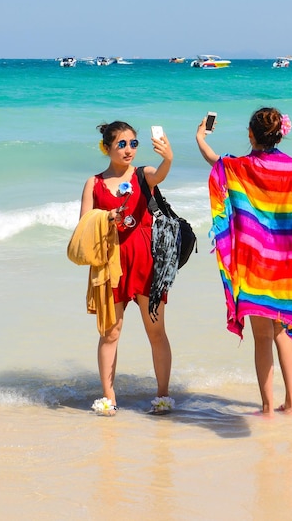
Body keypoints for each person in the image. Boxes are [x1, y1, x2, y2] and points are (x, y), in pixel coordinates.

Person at [196, 108, 292, 417]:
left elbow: (216, 162)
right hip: (286, 263)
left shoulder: (240, 167)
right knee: (281, 332)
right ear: (280, 134)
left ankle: (267, 408)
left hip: (255, 264)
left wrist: (200, 137)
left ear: (251, 135)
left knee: (262, 336)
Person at [79, 120, 175, 415]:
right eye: (122, 144)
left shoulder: (143, 175)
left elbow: (160, 173)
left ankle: (162, 395)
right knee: (110, 333)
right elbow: (83, 227)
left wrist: (168, 157)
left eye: (133, 143)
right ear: (106, 148)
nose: (129, 149)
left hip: (147, 262)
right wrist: (109, 217)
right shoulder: (94, 183)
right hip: (111, 265)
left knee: (156, 331)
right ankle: (109, 398)